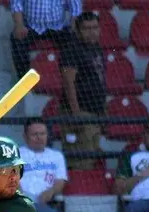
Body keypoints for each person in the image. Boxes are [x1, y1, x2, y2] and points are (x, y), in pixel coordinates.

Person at [60, 12, 106, 171]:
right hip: (80, 112)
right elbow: (68, 82)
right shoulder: (72, 49)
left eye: (95, 27)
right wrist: (76, 114)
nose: (92, 32)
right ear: (78, 31)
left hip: (95, 113)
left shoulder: (96, 48)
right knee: (81, 162)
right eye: (86, 28)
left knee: (92, 158)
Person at [10, 0, 81, 80]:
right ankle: (24, 80)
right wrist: (19, 25)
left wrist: (74, 26)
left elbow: (76, 6)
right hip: (31, 26)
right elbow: (16, 4)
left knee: (73, 41)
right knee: (17, 40)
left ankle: (69, 81)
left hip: (58, 27)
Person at [18, 118, 65, 212]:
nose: (39, 138)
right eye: (34, 134)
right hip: (22, 203)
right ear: (25, 137)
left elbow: (60, 181)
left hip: (47, 202)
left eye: (42, 134)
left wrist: (51, 191)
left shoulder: (56, 156)